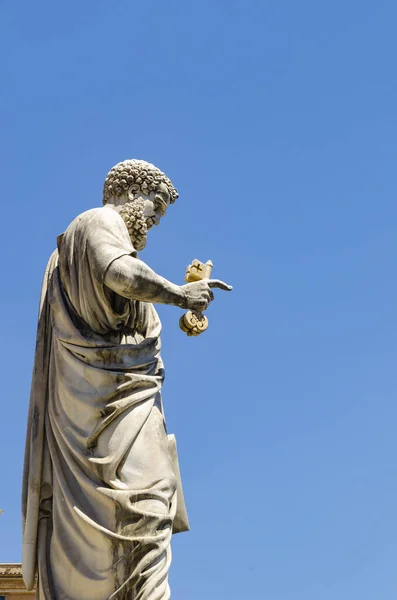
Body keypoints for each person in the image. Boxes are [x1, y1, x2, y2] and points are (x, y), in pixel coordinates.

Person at [22, 159, 231, 600]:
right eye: (155, 206)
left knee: (148, 513)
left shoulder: (75, 249)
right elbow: (120, 271)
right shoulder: (98, 221)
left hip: (115, 407)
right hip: (111, 414)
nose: (155, 220)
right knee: (147, 509)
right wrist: (178, 294)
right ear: (130, 190)